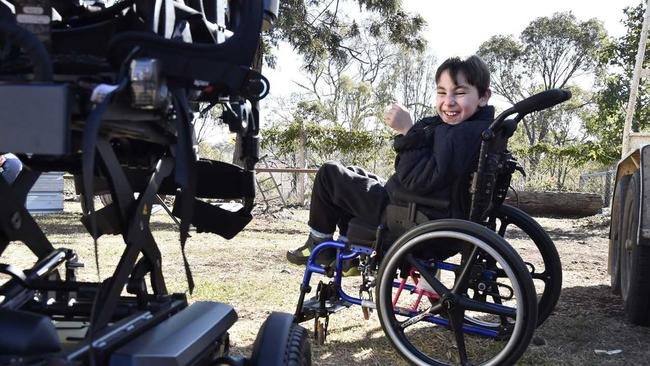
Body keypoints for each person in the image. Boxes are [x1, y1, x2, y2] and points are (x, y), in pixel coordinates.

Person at [286, 55, 494, 267]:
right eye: (442, 92)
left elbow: (418, 179)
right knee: (354, 172)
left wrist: (407, 131)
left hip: (409, 216)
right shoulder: (477, 131)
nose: (448, 101)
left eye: (459, 93)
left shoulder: (459, 136)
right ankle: (348, 246)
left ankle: (319, 245)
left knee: (330, 174)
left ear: (483, 97)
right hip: (423, 208)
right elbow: (430, 173)